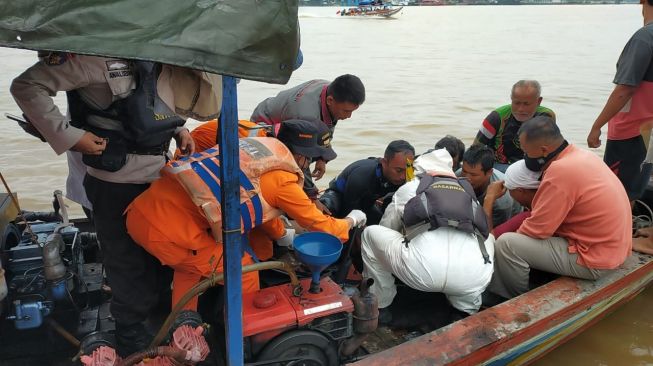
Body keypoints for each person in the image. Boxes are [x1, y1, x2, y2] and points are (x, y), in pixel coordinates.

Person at [9, 53, 204, 356]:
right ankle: (132, 342)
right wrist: (71, 136)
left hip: (160, 178)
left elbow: (151, 105)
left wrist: (179, 130)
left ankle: (164, 327)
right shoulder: (93, 57)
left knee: (164, 257)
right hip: (115, 185)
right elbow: (26, 86)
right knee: (127, 266)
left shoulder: (161, 56)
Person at [125, 120, 367, 311]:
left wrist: (284, 234)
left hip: (139, 212)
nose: (309, 164)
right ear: (302, 156)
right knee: (246, 271)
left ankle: (184, 326)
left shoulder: (252, 148)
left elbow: (260, 204)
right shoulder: (284, 182)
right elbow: (325, 227)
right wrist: (353, 219)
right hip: (168, 235)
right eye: (312, 158)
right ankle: (242, 337)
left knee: (191, 266)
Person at [487, 116, 632, 300]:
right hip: (614, 248)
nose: (525, 155)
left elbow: (536, 230)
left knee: (508, 244)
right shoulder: (581, 155)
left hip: (595, 259)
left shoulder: (560, 170)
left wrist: (507, 237)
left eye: (525, 151)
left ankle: (512, 300)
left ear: (543, 150)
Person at [361, 149, 495, 319]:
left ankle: (381, 304)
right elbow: (482, 232)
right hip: (472, 279)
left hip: (421, 274)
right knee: (489, 239)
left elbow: (387, 228)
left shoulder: (411, 188)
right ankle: (465, 308)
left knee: (371, 234)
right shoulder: (468, 192)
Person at [250, 74, 366, 200]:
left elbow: (327, 126)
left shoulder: (330, 90)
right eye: (346, 111)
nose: (349, 116)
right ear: (330, 101)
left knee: (311, 150)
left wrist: (323, 158)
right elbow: (302, 154)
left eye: (352, 111)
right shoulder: (305, 114)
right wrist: (312, 196)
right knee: (294, 164)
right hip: (264, 125)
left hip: (292, 121)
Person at [586, 0, 653, 201]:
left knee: (617, 191)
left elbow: (625, 89)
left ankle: (617, 232)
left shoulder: (644, 38)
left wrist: (597, 126)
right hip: (649, 131)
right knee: (635, 185)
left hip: (632, 130)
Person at [319, 140, 415, 226]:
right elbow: (349, 211)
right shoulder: (362, 176)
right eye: (398, 170)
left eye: (407, 171)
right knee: (327, 210)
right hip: (341, 196)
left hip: (367, 201)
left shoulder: (406, 175)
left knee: (382, 224)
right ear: (384, 162)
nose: (403, 176)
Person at [473, 80, 555, 172]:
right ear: (511, 98)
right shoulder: (496, 118)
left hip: (532, 166)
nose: (520, 109)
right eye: (516, 103)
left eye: (526, 104)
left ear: (538, 101)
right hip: (499, 166)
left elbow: (549, 150)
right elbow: (475, 149)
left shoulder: (546, 117)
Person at [459, 144, 521, 227]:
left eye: (473, 175)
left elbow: (491, 234)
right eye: (464, 171)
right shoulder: (458, 175)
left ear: (489, 173)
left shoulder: (502, 202)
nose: (466, 177)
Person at [483, 159, 541, 238]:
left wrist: (489, 199)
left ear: (520, 191)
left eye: (509, 189)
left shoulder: (528, 216)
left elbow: (489, 238)